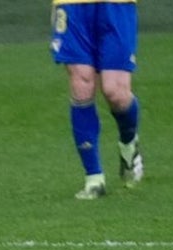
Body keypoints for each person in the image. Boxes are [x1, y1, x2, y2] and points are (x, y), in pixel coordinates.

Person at [50, 0, 143, 200]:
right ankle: (94, 178)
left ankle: (129, 143)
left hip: (117, 5)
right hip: (72, 5)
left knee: (116, 92)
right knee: (82, 84)